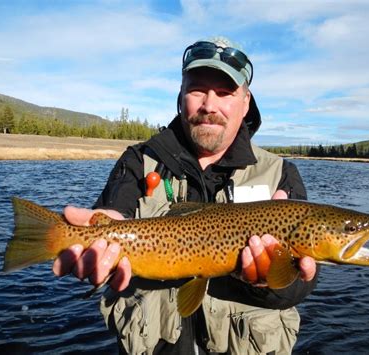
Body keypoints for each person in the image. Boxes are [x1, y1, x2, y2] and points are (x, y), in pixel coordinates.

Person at [53, 36, 319, 354]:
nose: (209, 105)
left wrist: (270, 281)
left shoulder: (280, 174)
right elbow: (112, 212)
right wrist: (102, 232)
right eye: (197, 89)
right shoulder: (139, 160)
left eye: (225, 92)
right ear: (181, 95)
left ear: (246, 101)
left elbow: (300, 286)